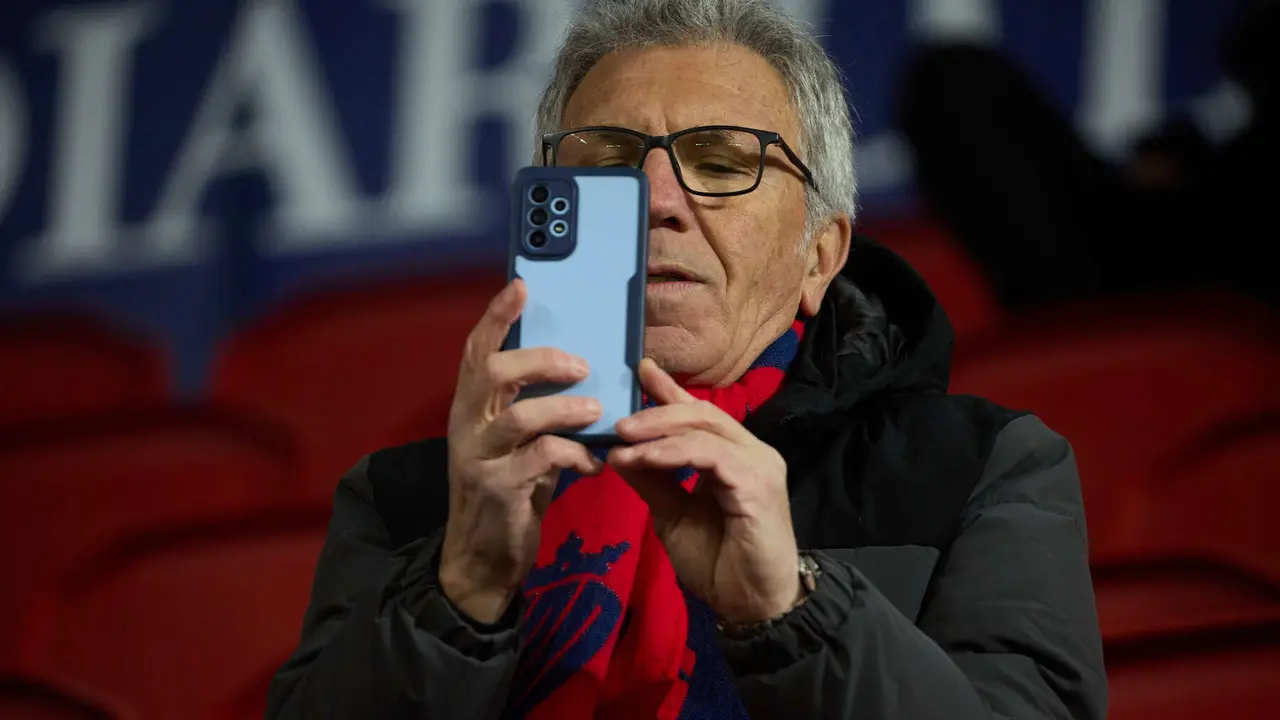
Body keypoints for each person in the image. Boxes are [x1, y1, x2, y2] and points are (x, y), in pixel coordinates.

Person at [266, 1, 1106, 717]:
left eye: (722, 163)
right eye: (608, 165)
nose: (659, 202)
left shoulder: (983, 468)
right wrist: (461, 592)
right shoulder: (406, 501)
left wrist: (793, 614)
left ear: (819, 257)